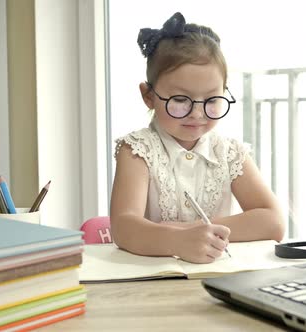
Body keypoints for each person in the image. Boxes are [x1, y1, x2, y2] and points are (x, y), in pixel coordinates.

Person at [110, 12, 284, 264]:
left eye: (212, 100)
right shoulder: (137, 150)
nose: (198, 113)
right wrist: (176, 241)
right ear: (148, 95)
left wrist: (194, 230)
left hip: (217, 278)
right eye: (180, 100)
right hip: (154, 280)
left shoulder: (229, 152)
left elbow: (273, 222)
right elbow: (124, 228)